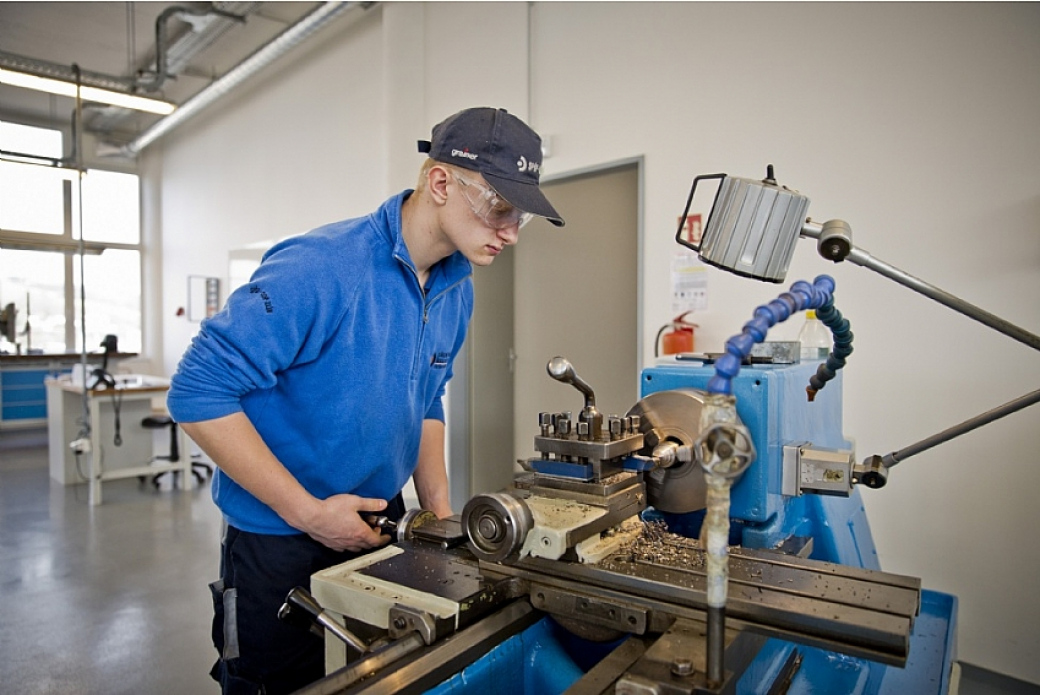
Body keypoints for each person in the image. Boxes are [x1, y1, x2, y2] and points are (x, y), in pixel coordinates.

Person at [166, 106, 565, 695]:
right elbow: (197, 391)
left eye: (520, 216)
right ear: (440, 182)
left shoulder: (456, 288)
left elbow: (428, 399)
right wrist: (308, 513)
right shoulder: (323, 267)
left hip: (383, 526)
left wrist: (440, 517)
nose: (508, 231)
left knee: (384, 680)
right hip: (279, 539)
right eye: (499, 207)